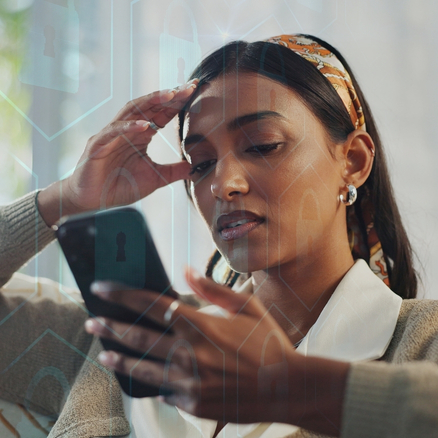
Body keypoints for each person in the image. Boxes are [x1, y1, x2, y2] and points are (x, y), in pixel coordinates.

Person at [1, 33, 438, 438]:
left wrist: (293, 388)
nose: (222, 183)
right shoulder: (127, 339)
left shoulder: (421, 342)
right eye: (200, 162)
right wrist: (64, 200)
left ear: (354, 161)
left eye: (263, 144)